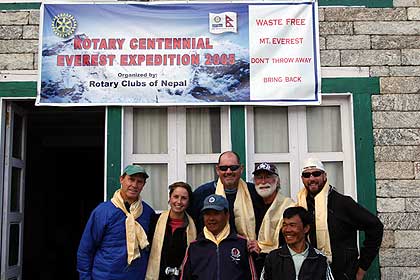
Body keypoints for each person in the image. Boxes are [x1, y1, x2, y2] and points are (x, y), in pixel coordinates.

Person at [296, 158, 383, 280]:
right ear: (302, 179)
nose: (311, 179)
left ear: (325, 176)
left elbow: (375, 227)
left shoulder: (342, 203)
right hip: (311, 272)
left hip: (342, 273)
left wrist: (362, 267)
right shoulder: (300, 206)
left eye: (316, 174)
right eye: (307, 175)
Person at [77, 165, 155, 280]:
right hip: (105, 276)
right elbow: (85, 250)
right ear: (121, 179)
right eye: (131, 179)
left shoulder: (147, 213)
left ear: (143, 185)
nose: (134, 185)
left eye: (139, 181)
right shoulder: (102, 211)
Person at [181, 194, 257, 280]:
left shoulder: (241, 244)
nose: (211, 218)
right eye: (207, 214)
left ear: (227, 215)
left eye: (216, 213)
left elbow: (252, 277)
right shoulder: (194, 247)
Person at [188, 151, 262, 234]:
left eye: (233, 167)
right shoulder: (202, 194)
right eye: (224, 168)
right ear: (217, 170)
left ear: (241, 169)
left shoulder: (255, 193)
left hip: (247, 245)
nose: (229, 172)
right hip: (211, 245)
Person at [247, 163, 295, 276]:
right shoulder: (249, 207)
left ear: (277, 181)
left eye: (268, 177)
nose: (263, 182)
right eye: (259, 178)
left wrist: (262, 246)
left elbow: (292, 239)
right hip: (253, 266)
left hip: (280, 265)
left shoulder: (289, 206)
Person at [260, 206, 334, 280]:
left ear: (306, 228)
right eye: (284, 225)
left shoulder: (320, 259)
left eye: (292, 225)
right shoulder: (273, 258)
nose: (287, 230)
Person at [146, 182, 197, 280]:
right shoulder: (155, 221)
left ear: (188, 202)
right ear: (170, 199)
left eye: (184, 198)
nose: (179, 201)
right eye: (176, 197)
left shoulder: (194, 226)